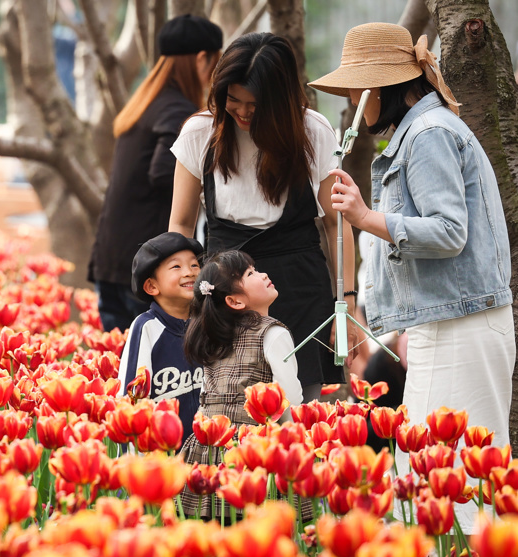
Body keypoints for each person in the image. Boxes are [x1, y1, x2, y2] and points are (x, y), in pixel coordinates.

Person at [310, 22, 514, 524]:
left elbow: (448, 232)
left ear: (382, 88)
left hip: (459, 326)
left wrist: (364, 217)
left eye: (357, 88)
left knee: (452, 485)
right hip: (448, 322)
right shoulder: (423, 131)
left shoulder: (428, 134)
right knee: (435, 479)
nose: (354, 100)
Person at [169, 32, 359, 402]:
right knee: (231, 405)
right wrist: (181, 292)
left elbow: (337, 223)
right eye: (233, 100)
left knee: (306, 407)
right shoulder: (200, 131)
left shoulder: (312, 130)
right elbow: (181, 224)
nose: (242, 112)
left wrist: (346, 304)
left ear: (280, 101)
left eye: (255, 105)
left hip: (300, 289)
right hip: (227, 293)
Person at [89, 14, 223, 333]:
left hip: (111, 260)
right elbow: (163, 173)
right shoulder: (177, 110)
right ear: (202, 59)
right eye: (217, 63)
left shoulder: (145, 104)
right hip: (146, 269)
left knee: (119, 362)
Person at [177, 250, 302, 519]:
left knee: (213, 526)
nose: (263, 274)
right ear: (234, 301)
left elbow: (205, 397)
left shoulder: (214, 336)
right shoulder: (273, 333)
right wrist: (294, 448)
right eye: (250, 273)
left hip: (208, 447)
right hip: (253, 448)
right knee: (256, 526)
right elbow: (290, 397)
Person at [117, 232, 205, 445]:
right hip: (162, 451)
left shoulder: (206, 322)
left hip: (207, 450)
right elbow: (132, 398)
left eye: (194, 265)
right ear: (151, 286)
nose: (189, 272)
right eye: (176, 267)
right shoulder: (146, 327)